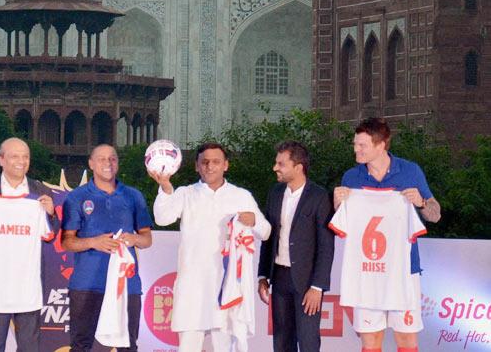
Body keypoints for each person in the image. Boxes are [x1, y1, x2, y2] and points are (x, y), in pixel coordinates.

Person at [333, 117, 441, 352]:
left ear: (381, 145)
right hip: (367, 273)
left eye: (362, 145)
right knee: (370, 341)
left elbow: (435, 214)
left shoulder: (410, 171)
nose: (356, 150)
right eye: (354, 144)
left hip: (403, 270)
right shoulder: (351, 178)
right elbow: (342, 223)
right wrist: (337, 204)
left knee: (407, 340)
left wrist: (421, 202)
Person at [151, 141, 271, 352]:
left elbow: (266, 231)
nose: (210, 166)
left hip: (227, 286)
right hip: (192, 284)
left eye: (216, 162)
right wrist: (165, 188)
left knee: (223, 345)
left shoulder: (241, 195)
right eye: (204, 162)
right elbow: (162, 218)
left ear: (226, 165)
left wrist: (253, 220)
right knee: (188, 346)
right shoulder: (186, 193)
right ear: (196, 166)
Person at [0, 137, 59, 352]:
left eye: (26, 156)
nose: (22, 161)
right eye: (15, 156)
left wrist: (51, 213)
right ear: (1, 160)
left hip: (28, 284)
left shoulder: (41, 191)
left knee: (29, 346)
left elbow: (52, 234)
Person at [62, 144, 153, 352]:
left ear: (117, 164)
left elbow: (147, 239)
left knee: (128, 346)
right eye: (102, 159)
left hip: (127, 285)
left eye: (112, 159)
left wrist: (133, 239)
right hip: (87, 285)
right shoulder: (76, 197)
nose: (108, 163)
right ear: (91, 164)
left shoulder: (133, 196)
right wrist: (94, 242)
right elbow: (67, 241)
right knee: (80, 346)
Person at [257, 141, 334, 352]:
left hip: (307, 281)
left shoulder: (319, 196)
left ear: (298, 167)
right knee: (281, 340)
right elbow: (268, 236)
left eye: (281, 164)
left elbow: (326, 246)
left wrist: (317, 287)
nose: (275, 168)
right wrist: (263, 274)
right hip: (279, 277)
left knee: (308, 340)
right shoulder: (275, 192)